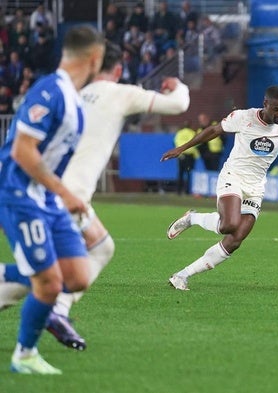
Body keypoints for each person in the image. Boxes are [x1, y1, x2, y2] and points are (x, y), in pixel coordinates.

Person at [0, 42, 190, 352]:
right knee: (49, 273)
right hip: (66, 196)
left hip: (49, 189)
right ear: (116, 69)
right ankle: (45, 310)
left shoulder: (74, 96)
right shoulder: (120, 92)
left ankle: (57, 311)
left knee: (99, 249)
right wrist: (178, 84)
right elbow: (178, 105)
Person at [161, 85, 278, 291]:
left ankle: (183, 275)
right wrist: (182, 148)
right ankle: (192, 219)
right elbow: (214, 130)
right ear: (265, 104)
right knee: (228, 225)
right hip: (233, 176)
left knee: (234, 241)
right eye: (277, 109)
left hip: (256, 187)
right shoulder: (244, 117)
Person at [0, 25, 105, 375]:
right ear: (95, 58)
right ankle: (24, 356)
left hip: (45, 197)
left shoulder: (74, 98)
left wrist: (57, 193)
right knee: (49, 283)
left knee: (77, 276)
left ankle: (5, 275)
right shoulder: (51, 90)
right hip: (19, 194)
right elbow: (21, 151)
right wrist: (65, 192)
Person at [174, 122, 199, 195]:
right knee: (189, 174)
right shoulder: (192, 133)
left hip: (181, 155)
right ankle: (187, 191)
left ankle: (178, 191)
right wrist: (196, 155)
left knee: (180, 173)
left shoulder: (179, 133)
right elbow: (195, 143)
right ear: (190, 126)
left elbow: (175, 142)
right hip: (189, 156)